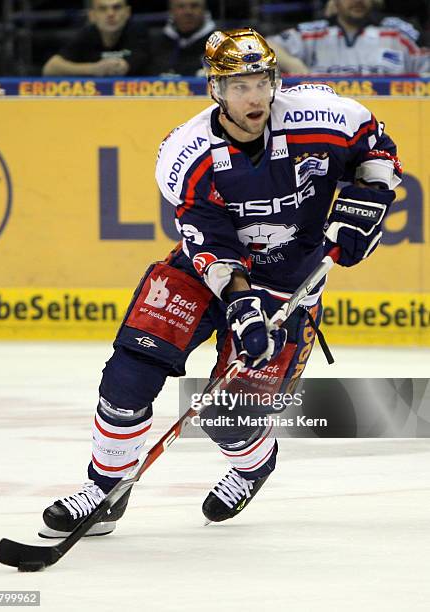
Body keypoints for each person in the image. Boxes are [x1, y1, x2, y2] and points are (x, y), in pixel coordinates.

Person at [40, 28, 401, 537]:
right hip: (206, 273)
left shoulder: (324, 117)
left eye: (261, 81)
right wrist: (239, 302)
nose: (254, 96)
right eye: (238, 85)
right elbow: (210, 242)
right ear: (215, 88)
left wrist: (369, 201)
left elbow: (376, 150)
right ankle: (105, 488)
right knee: (130, 373)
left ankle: (255, 462)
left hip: (288, 284)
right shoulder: (186, 154)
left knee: (230, 419)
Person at [268, 0, 430, 75]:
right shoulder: (314, 33)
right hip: (328, 118)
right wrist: (293, 64)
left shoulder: (398, 32)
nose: (358, 1)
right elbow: (264, 45)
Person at [42, 0, 149, 77]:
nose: (110, 14)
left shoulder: (139, 32)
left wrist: (125, 66)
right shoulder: (86, 34)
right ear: (92, 16)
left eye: (117, 7)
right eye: (103, 9)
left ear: (127, 12)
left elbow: (146, 62)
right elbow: (50, 68)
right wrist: (93, 69)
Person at [147, 0, 216, 76]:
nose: (188, 12)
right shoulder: (155, 43)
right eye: (181, 6)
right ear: (171, 11)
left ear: (205, 10)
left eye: (194, 6)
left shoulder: (221, 44)